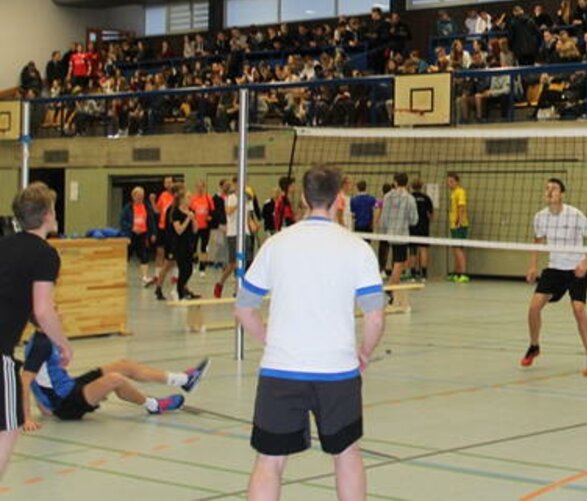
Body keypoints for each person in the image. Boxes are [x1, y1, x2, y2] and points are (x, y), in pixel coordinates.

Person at [235, 164, 386, 501]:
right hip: (337, 371)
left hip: (281, 369)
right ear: (340, 199)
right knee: (347, 455)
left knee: (269, 461)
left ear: (302, 198)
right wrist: (365, 352)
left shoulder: (276, 244)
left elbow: (244, 308)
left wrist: (268, 340)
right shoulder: (357, 248)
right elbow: (375, 317)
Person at [0, 183, 72, 477]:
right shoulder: (45, 254)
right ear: (46, 216)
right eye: (53, 210)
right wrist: (64, 344)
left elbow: (19, 299)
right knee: (8, 428)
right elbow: (43, 310)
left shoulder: (4, 245)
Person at [20, 331, 201, 425]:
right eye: (54, 308)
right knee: (115, 379)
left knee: (124, 365)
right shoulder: (40, 344)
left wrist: (42, 404)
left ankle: (183, 380)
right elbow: (26, 379)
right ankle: (154, 405)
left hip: (72, 387)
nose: (59, 312)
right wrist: (28, 417)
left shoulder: (48, 338)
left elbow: (43, 376)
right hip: (66, 404)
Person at [521, 179, 587, 375]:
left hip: (575, 270)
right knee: (533, 307)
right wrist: (532, 266)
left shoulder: (575, 215)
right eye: (546, 188)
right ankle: (534, 345)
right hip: (554, 269)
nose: (549, 191)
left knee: (579, 309)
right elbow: (537, 241)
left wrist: (585, 264)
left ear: (562, 194)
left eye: (553, 188)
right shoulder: (540, 217)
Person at [215, 178, 259, 299]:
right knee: (233, 263)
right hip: (234, 233)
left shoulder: (247, 198)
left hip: (245, 233)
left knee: (247, 261)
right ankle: (220, 283)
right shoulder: (231, 197)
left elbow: (248, 215)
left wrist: (252, 225)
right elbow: (228, 212)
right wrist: (239, 202)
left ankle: (240, 289)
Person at [378, 173, 416, 293]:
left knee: (396, 261)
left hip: (390, 234)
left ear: (395, 182)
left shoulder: (387, 196)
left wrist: (384, 231)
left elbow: (383, 218)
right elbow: (414, 220)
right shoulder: (410, 198)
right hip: (402, 234)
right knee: (399, 263)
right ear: (407, 183)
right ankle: (390, 290)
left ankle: (394, 288)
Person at [119, 186, 158, 287]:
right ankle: (121, 277)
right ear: (133, 196)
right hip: (131, 235)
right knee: (127, 255)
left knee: (144, 255)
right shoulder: (128, 208)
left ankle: (144, 277)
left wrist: (153, 233)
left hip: (143, 234)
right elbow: (122, 221)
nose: (140, 198)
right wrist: (131, 227)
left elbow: (151, 220)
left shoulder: (147, 207)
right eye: (138, 196)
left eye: (142, 196)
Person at [446, 172, 470, 282]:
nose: (449, 183)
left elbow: (461, 207)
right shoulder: (453, 193)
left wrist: (459, 221)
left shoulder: (460, 192)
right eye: (448, 181)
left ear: (457, 181)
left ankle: (463, 274)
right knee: (455, 249)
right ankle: (456, 273)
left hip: (459, 225)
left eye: (451, 181)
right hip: (453, 225)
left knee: (459, 249)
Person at [408, 178, 433, 281]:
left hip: (412, 226)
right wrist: (427, 222)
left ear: (412, 186)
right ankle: (424, 275)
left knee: (413, 251)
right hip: (423, 226)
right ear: (421, 186)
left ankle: (413, 275)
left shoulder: (409, 198)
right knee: (423, 250)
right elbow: (431, 214)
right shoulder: (426, 198)